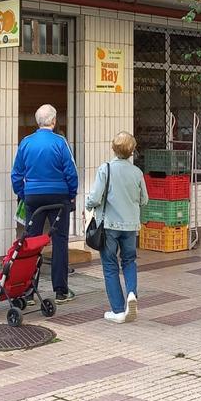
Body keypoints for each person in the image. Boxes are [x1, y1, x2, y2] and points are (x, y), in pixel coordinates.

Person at [11, 104, 79, 303]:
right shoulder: (61, 142)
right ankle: (60, 291)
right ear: (54, 121)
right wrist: (71, 194)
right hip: (59, 196)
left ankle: (28, 292)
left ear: (37, 121)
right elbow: (71, 171)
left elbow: (16, 173)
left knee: (31, 243)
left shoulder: (26, 142)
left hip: (33, 197)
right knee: (60, 241)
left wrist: (23, 193)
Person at [85, 132, 148, 324]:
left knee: (110, 266)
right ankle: (131, 295)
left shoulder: (106, 169)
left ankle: (118, 310)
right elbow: (144, 199)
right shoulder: (137, 172)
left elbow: (95, 197)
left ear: (113, 148)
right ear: (132, 151)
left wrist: (88, 205)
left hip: (110, 225)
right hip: (130, 226)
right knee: (129, 261)